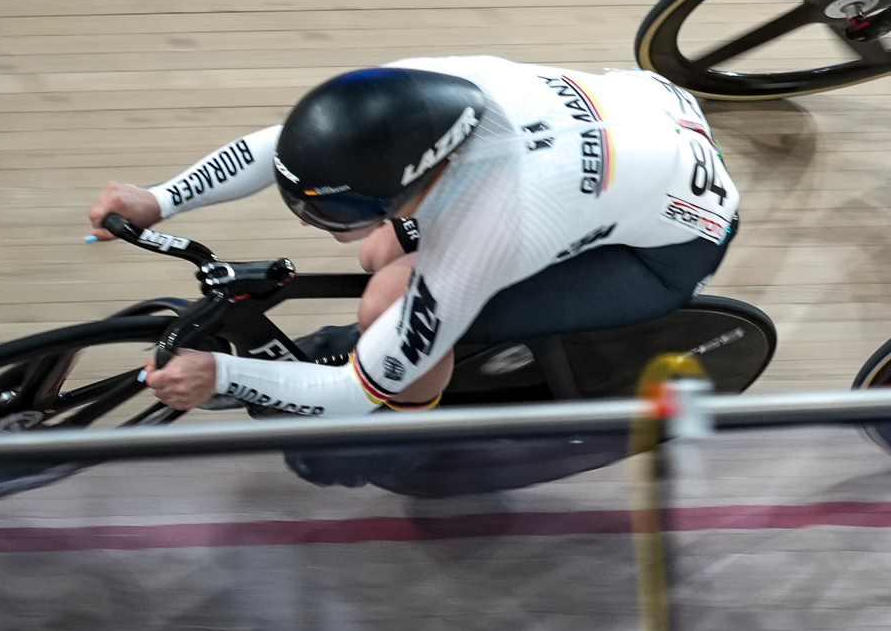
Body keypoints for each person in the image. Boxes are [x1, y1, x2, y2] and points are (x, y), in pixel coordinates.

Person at [86, 57, 739, 418]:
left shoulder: (498, 224)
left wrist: (222, 373)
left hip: (661, 250)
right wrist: (160, 198)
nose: (321, 231)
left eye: (337, 218)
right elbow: (280, 144)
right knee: (379, 251)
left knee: (385, 300)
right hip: (644, 115)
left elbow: (353, 393)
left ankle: (413, 430)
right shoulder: (420, 90)